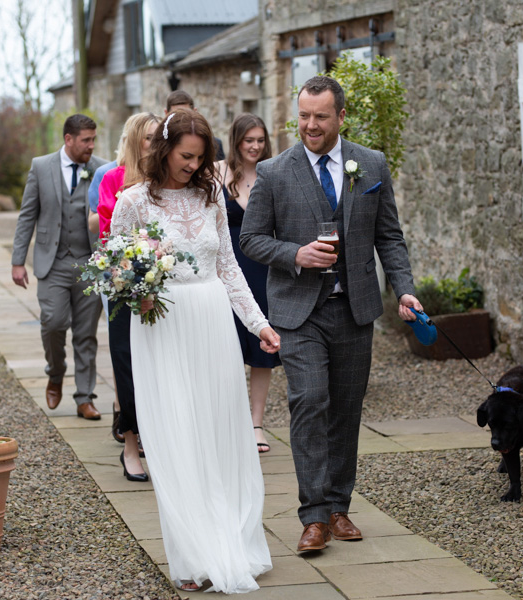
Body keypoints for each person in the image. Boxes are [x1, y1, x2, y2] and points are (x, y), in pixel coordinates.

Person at [240, 76, 423, 553]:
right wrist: (296, 255)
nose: (310, 125)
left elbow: (390, 237)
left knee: (345, 409)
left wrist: (404, 291)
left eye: (320, 116)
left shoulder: (372, 164)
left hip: (356, 309)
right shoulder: (276, 172)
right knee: (310, 402)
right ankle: (314, 515)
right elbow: (251, 239)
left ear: (341, 117)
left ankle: (339, 506)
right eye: (303, 116)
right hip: (299, 312)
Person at [110, 108, 280, 593]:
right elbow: (114, 272)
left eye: (200, 157)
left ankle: (233, 539)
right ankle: (194, 552)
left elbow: (229, 268)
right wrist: (135, 290)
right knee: (178, 436)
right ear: (163, 151)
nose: (192, 165)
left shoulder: (211, 197)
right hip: (162, 327)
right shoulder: (133, 203)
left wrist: (260, 325)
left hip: (212, 323)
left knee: (220, 433)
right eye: (186, 156)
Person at [12, 114, 108, 420]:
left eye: (94, 139)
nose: (91, 146)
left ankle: (84, 396)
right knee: (52, 323)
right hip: (52, 262)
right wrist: (17, 260)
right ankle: (55, 372)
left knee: (86, 334)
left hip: (90, 263)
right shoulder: (41, 167)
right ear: (68, 139)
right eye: (86, 140)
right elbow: (28, 215)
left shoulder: (101, 170)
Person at [92, 112, 160, 481]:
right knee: (127, 363)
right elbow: (108, 231)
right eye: (148, 138)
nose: (154, 144)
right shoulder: (113, 179)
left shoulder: (169, 182)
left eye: (158, 137)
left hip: (164, 286)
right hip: (122, 282)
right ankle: (131, 445)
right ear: (136, 141)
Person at [214, 114, 279, 453]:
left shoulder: (273, 173)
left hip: (263, 271)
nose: (255, 146)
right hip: (225, 270)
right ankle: (227, 421)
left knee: (261, 352)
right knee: (226, 346)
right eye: (249, 140)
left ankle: (256, 424)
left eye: (260, 140)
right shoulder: (215, 172)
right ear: (236, 140)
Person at [165, 90, 225, 161]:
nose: (181, 120)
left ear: (195, 112)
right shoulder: (161, 143)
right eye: (176, 115)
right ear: (166, 113)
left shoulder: (214, 144)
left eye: (185, 114)